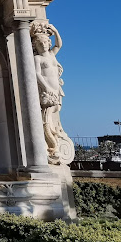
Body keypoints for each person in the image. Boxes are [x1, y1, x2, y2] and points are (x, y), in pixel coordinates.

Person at [31, 23, 69, 164]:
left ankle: (53, 144)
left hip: (56, 91)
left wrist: (55, 31)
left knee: (52, 119)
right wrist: (45, 86)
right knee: (46, 121)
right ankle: (53, 148)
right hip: (47, 92)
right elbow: (36, 73)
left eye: (45, 42)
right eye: (40, 44)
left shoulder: (52, 55)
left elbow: (59, 45)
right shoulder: (37, 58)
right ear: (35, 46)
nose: (43, 45)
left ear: (48, 42)